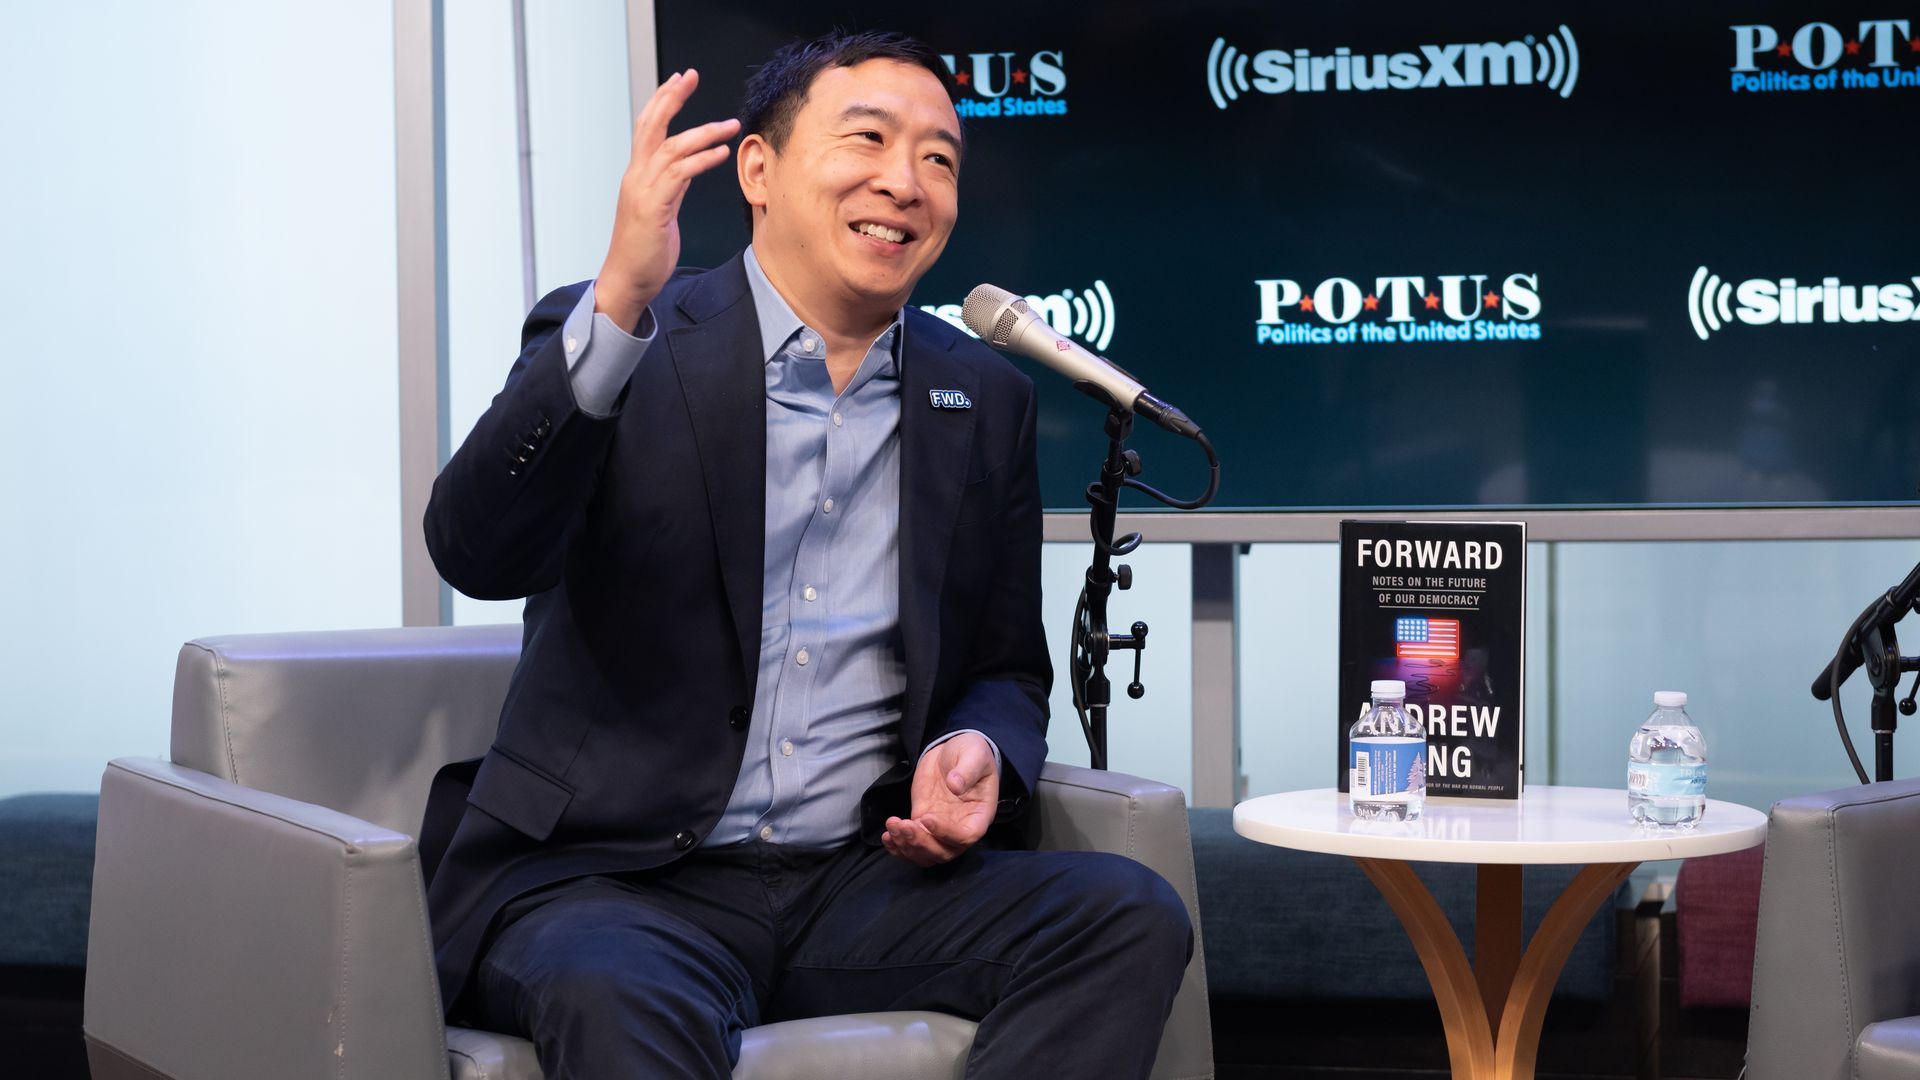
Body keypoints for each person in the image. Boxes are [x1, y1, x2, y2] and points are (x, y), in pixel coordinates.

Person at [421, 30, 1191, 1079]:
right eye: (866, 139)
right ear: (758, 171)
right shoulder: (623, 338)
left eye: (939, 159)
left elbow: (1005, 668)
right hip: (612, 884)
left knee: (1126, 914)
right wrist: (616, 303)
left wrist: (977, 750)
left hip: (856, 880)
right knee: (618, 998)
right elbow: (476, 549)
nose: (904, 182)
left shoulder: (985, 399)